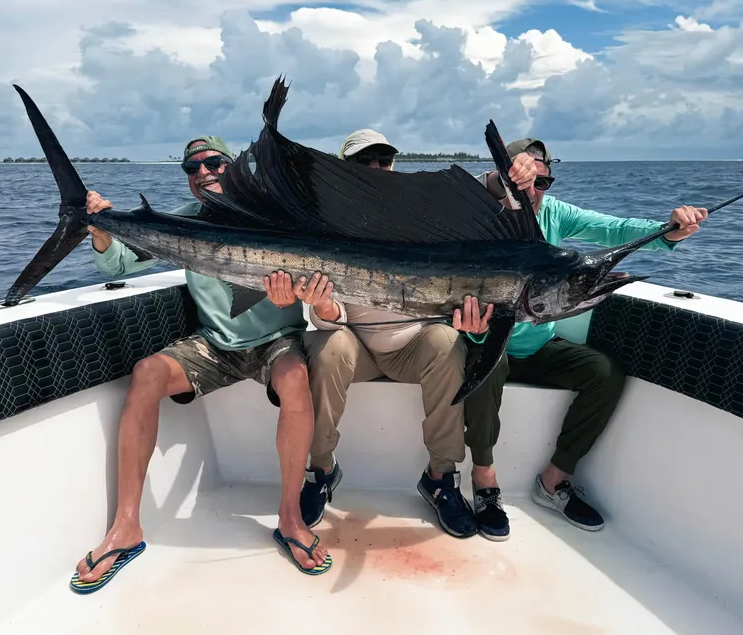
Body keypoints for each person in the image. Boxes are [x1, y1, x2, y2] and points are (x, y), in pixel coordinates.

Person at [71, 135, 331, 591]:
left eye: (214, 163)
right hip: (215, 346)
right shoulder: (182, 224)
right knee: (147, 372)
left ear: (234, 168)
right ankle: (126, 525)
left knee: (295, 378)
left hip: (277, 341)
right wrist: (100, 230)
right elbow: (116, 269)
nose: (204, 173)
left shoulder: (274, 219)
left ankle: (290, 519)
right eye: (193, 169)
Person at [273, 129, 531, 543]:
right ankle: (320, 470)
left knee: (447, 343)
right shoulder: (327, 219)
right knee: (329, 347)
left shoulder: (421, 215)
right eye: (364, 163)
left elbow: (478, 198)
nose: (377, 169)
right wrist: (322, 308)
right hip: (356, 342)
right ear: (345, 169)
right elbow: (332, 316)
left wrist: (508, 178)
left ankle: (440, 477)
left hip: (415, 344)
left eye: (384, 160)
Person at [465, 137, 707, 531]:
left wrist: (669, 232)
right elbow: (479, 186)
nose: (533, 193)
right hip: (485, 342)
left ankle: (554, 480)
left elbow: (615, 230)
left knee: (605, 372)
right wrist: (499, 178)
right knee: (484, 369)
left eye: (542, 184)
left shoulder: (556, 213)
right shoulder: (476, 215)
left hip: (539, 346)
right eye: (522, 183)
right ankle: (484, 480)